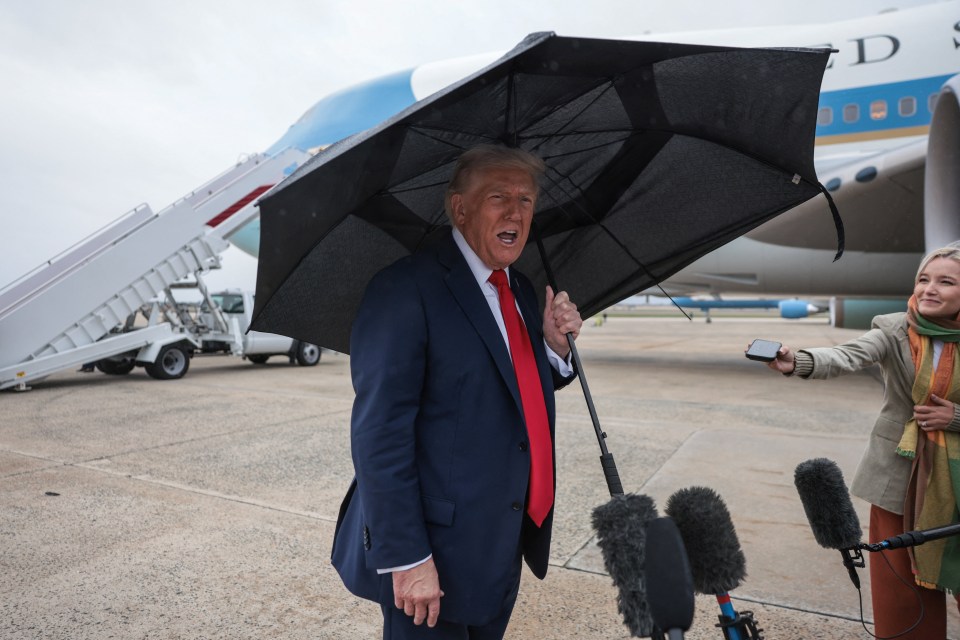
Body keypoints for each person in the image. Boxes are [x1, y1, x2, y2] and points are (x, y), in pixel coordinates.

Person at [331, 144, 583, 639]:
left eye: (527, 200)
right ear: (459, 207)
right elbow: (379, 434)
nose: (516, 212)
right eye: (498, 197)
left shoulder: (524, 291)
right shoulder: (406, 288)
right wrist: (407, 557)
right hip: (432, 558)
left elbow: (511, 388)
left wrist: (556, 350)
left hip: (502, 540)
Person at [757, 245, 960, 639]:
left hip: (956, 480)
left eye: (945, 281)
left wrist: (955, 418)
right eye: (923, 279)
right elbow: (848, 355)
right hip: (899, 479)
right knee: (901, 591)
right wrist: (796, 360)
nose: (929, 289)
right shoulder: (894, 327)